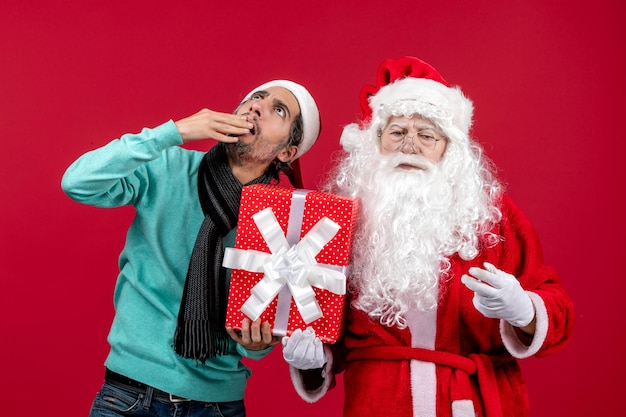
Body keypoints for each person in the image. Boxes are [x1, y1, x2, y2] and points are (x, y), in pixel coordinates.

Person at [280, 57, 575, 417]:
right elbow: (327, 332)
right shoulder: (340, 221)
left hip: (470, 402)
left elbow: (557, 311)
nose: (410, 145)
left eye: (427, 135)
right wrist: (312, 358)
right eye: (397, 132)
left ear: (449, 149)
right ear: (376, 142)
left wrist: (525, 309)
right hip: (377, 403)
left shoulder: (491, 216)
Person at [61, 79, 321, 417]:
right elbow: (77, 183)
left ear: (287, 151)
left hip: (216, 403)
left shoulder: (283, 221)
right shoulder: (167, 166)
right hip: (128, 393)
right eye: (256, 97)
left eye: (279, 110)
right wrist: (175, 132)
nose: (257, 105)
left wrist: (255, 343)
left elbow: (262, 328)